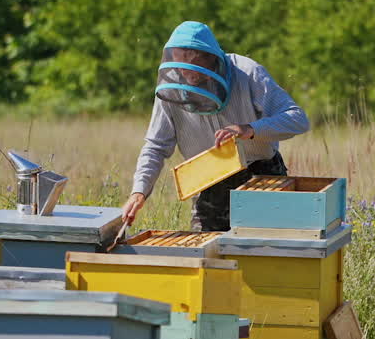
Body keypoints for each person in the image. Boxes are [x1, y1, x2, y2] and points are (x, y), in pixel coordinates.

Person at [121, 21, 310, 231]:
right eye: (182, 66)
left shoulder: (247, 72)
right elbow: (155, 146)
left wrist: (250, 129)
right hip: (208, 180)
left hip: (261, 173)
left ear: (211, 57)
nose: (188, 75)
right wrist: (139, 191)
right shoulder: (171, 88)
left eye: (195, 66)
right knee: (208, 256)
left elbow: (297, 119)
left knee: (267, 252)